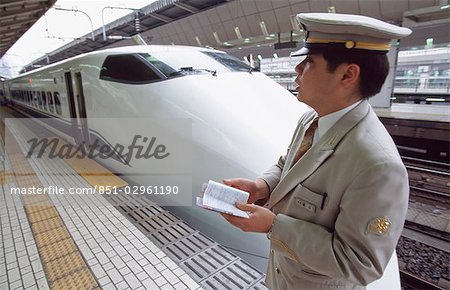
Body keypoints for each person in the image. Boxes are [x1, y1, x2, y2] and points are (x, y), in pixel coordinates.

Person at [221, 13, 411, 290]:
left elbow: (361, 264)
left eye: (309, 61)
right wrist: (261, 186)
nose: (298, 69)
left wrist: (274, 226)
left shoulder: (377, 164)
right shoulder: (312, 119)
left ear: (348, 74)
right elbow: (289, 165)